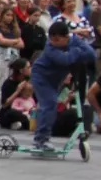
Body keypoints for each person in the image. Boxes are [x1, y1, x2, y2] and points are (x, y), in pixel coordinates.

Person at [28, 21, 96, 149]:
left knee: (52, 106)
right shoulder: (50, 47)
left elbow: (91, 55)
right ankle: (40, 139)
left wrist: (72, 51)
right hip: (41, 76)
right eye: (52, 39)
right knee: (49, 104)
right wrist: (76, 51)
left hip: (56, 79)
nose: (53, 42)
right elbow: (65, 60)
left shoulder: (74, 40)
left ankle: (43, 137)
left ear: (66, 37)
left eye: (57, 39)